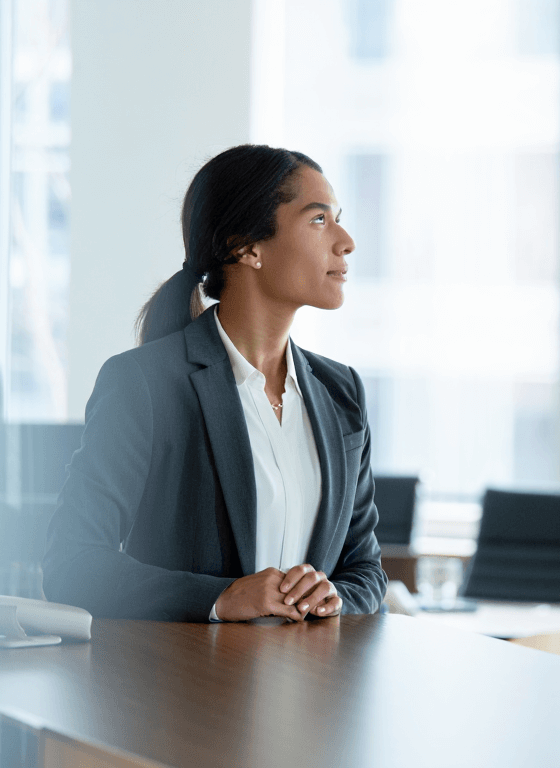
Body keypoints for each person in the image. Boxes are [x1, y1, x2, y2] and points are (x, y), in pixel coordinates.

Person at [43, 145, 386, 623]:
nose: (345, 240)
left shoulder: (341, 393)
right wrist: (220, 599)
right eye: (318, 220)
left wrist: (335, 596)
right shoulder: (143, 384)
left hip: (313, 689)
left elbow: (365, 569)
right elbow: (72, 565)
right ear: (245, 246)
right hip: (188, 690)